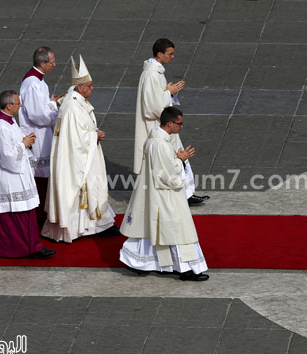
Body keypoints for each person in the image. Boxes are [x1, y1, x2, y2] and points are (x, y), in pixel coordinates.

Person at [120, 107, 209, 281]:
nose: (181, 127)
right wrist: (180, 161)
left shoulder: (156, 140)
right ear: (169, 123)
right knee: (177, 230)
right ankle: (186, 270)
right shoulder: (160, 145)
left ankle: (137, 263)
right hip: (165, 196)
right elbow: (167, 176)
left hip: (156, 194)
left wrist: (176, 159)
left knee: (153, 231)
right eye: (179, 123)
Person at [42, 55, 119, 243]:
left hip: (85, 155)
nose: (92, 89)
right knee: (81, 191)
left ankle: (96, 226)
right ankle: (77, 229)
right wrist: (95, 136)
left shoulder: (75, 101)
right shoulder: (72, 108)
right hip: (77, 159)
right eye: (89, 86)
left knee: (90, 189)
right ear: (79, 87)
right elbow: (75, 140)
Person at [133, 38, 209, 206]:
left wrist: (168, 92)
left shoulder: (156, 72)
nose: (173, 57)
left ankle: (186, 193)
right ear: (160, 54)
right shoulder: (152, 74)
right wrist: (169, 93)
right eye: (170, 54)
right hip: (159, 125)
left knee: (178, 156)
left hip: (165, 124)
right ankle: (181, 195)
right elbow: (152, 106)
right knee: (170, 159)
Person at [0, 90, 56, 259]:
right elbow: (7, 156)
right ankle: (22, 248)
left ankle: (32, 245)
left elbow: (14, 145)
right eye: (18, 103)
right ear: (8, 105)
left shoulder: (10, 121)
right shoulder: (1, 127)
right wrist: (23, 144)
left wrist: (26, 141)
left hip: (19, 174)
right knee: (16, 213)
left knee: (26, 211)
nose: (20, 106)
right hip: (10, 176)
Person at [19, 46, 63, 227]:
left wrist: (51, 102)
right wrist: (56, 108)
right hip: (37, 137)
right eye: (52, 62)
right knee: (40, 178)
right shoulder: (33, 84)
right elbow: (39, 115)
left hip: (40, 135)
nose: (55, 65)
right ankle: (38, 219)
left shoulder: (38, 82)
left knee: (43, 177)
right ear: (42, 63)